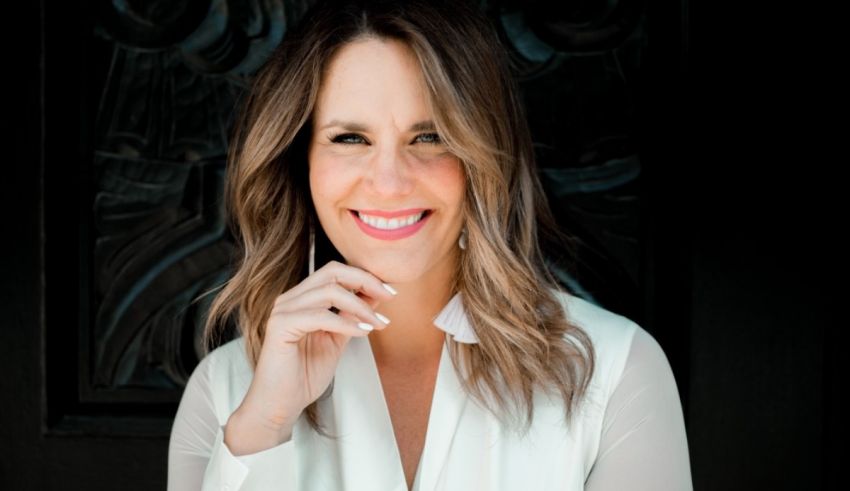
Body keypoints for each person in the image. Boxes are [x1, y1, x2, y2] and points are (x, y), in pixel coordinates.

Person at [167, 0, 693, 489]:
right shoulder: (226, 391)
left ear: (484, 159)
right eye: (350, 138)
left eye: (431, 136)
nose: (390, 181)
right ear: (299, 163)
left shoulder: (614, 369)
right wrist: (266, 423)